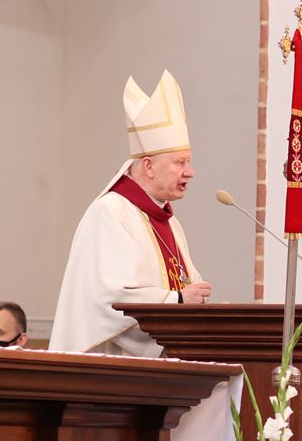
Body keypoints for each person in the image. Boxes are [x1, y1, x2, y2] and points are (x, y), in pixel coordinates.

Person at [48, 70, 212, 356]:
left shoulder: (168, 221)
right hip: (115, 373)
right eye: (180, 162)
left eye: (189, 162)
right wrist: (177, 301)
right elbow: (107, 301)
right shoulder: (109, 214)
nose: (190, 172)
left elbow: (186, 287)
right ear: (148, 166)